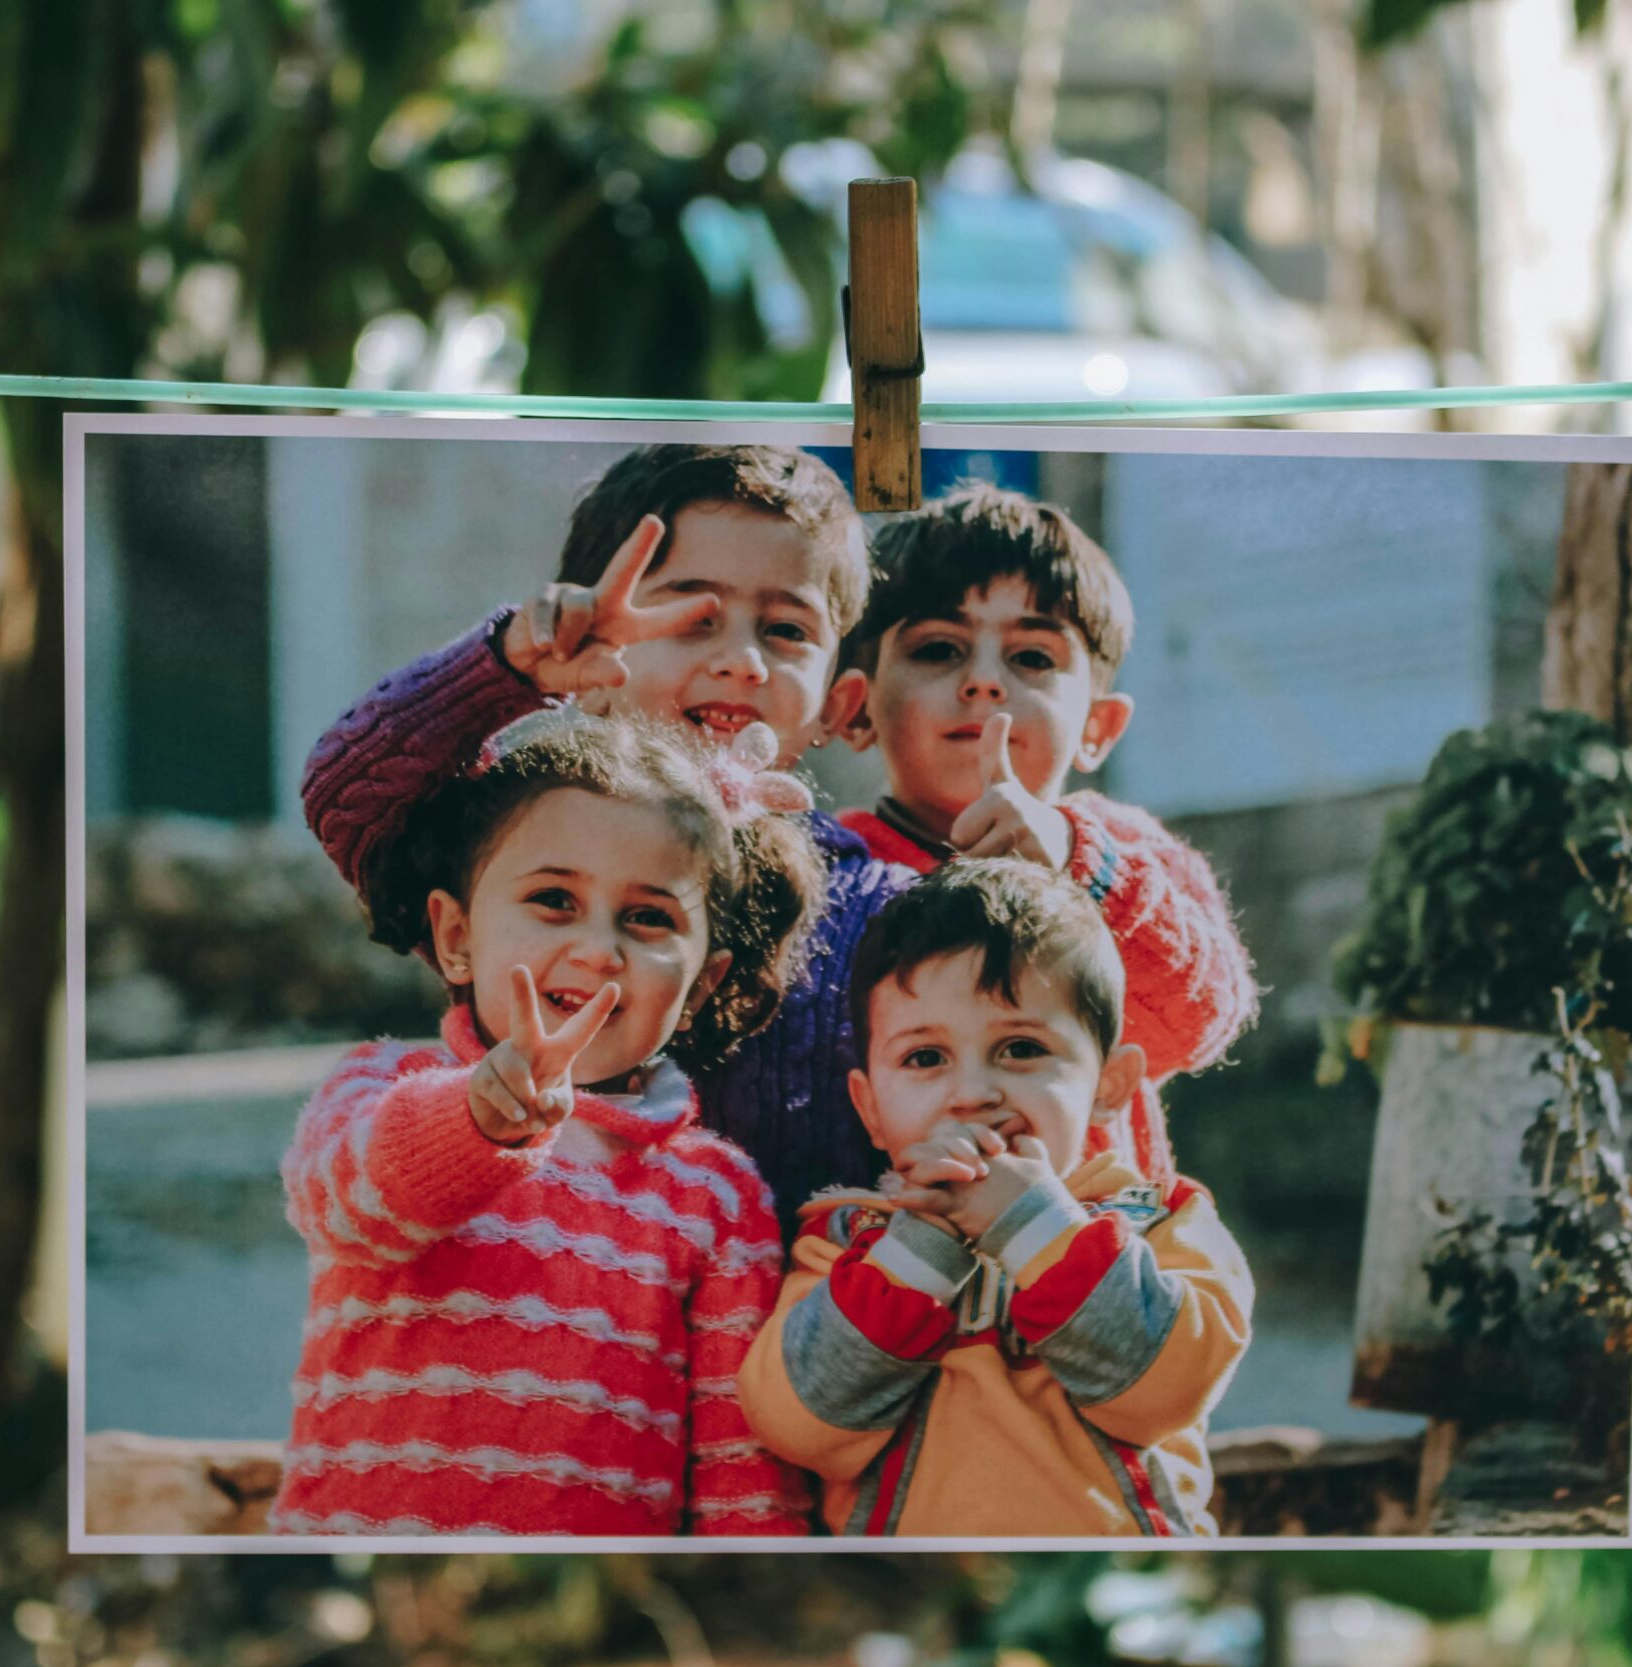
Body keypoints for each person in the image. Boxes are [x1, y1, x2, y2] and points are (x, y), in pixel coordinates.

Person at [299, 443, 913, 1235]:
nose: (741, 659)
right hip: (537, 1311)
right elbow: (353, 790)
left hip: (784, 1335)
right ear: (594, 658)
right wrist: (513, 668)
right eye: (693, 617)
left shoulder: (883, 911)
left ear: (840, 700)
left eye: (786, 628)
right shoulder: (526, 837)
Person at [271, 709, 821, 1537]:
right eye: (553, 899)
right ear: (456, 938)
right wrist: (480, 1119)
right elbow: (344, 1206)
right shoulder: (387, 1083)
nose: (600, 947)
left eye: (648, 917)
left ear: (702, 985)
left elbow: (739, 1467)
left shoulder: (715, 1196)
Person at [738, 860, 1254, 1536]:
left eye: (1020, 1047)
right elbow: (800, 1426)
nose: (973, 1093)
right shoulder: (844, 1244)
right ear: (869, 1107)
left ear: (1109, 1082)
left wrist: (1032, 1224)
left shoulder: (1161, 1221)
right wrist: (923, 1246)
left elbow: (1166, 1392)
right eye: (926, 1058)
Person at [832, 480, 1260, 1183]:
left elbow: (1197, 1021)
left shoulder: (1126, 851)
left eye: (1031, 657)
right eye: (939, 648)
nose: (984, 681)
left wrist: (1074, 861)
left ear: (1099, 727)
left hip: (1098, 1258)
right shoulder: (829, 873)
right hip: (904, 1258)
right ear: (854, 707)